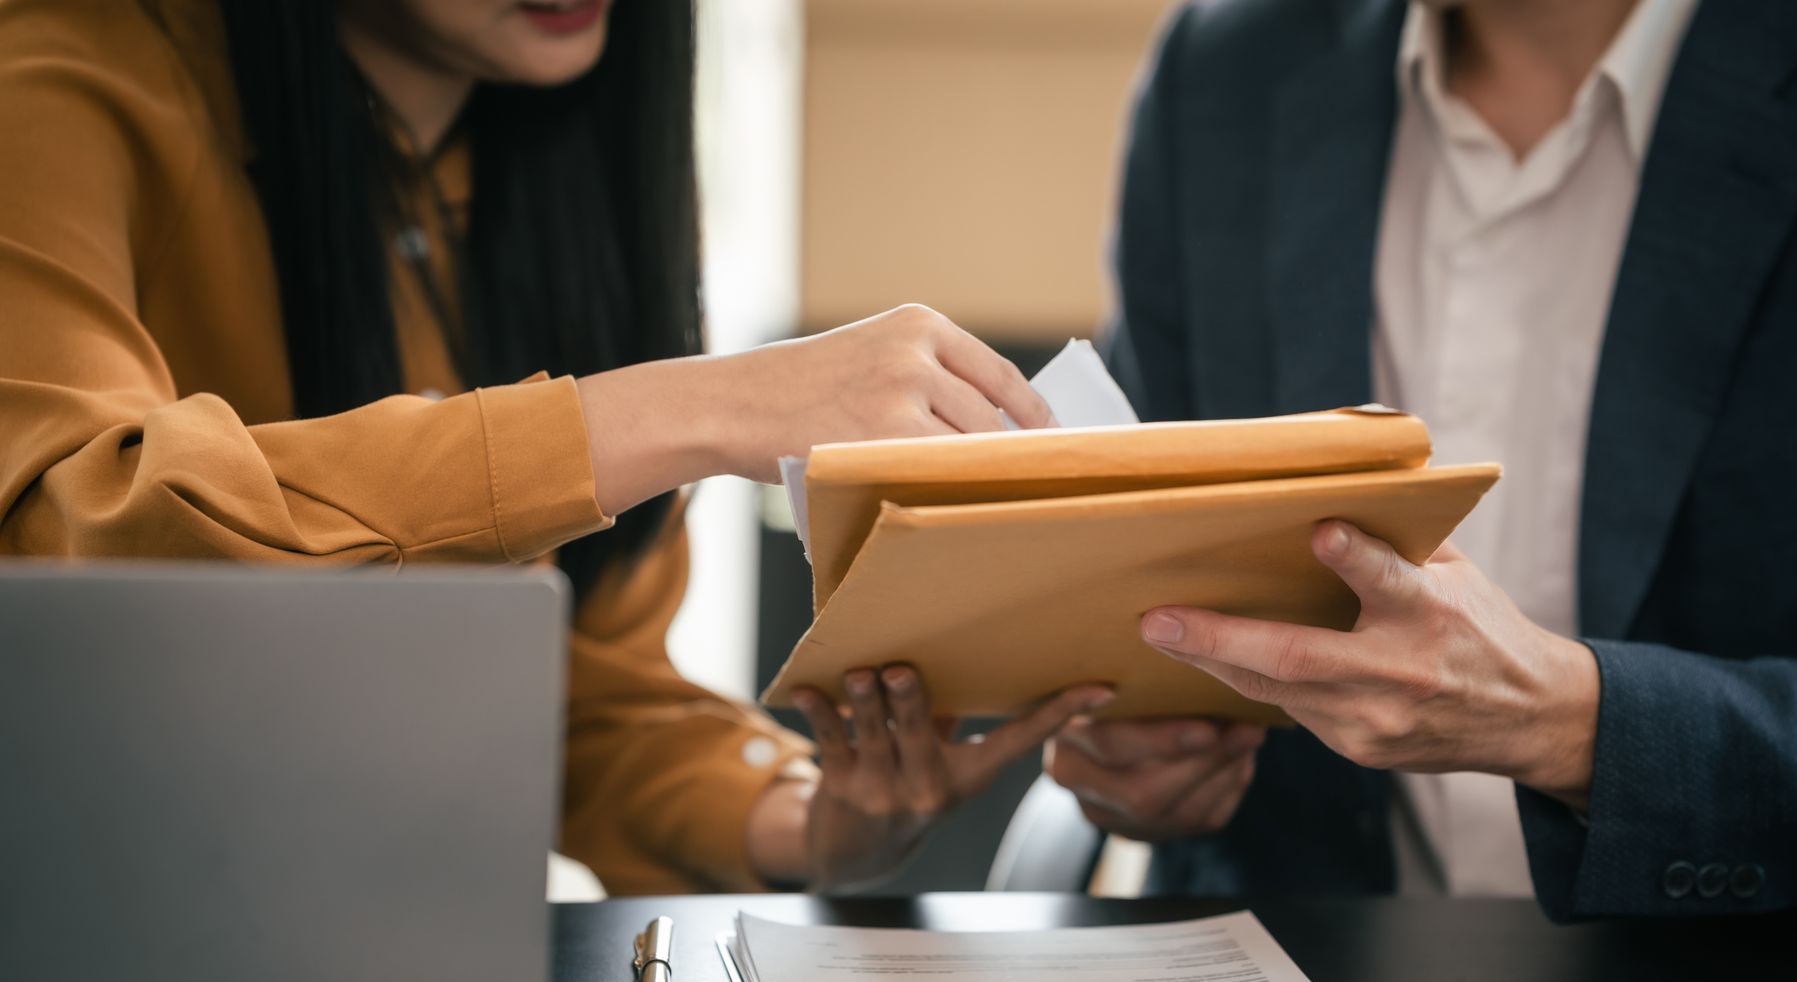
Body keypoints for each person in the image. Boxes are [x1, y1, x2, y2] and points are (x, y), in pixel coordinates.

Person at [0, 0, 1110, 895]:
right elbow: (69, 527)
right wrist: (694, 409)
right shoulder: (57, 74)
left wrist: (826, 825)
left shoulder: (556, 159)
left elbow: (591, 706)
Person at [1047, 0, 1797, 918]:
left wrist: (1570, 723)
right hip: (1296, 969)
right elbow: (1142, 548)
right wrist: (1132, 752)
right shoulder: (1227, 66)